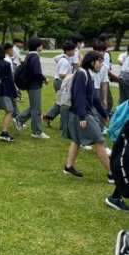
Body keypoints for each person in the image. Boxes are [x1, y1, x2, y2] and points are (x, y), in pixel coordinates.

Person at [62, 51, 113, 182]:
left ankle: (68, 167)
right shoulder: (82, 74)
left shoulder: (88, 74)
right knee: (99, 140)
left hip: (81, 113)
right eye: (99, 61)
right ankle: (111, 174)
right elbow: (78, 96)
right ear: (92, 62)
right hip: (81, 114)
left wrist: (104, 114)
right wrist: (82, 117)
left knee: (76, 140)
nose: (101, 64)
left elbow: (94, 98)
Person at [13, 37, 50, 139]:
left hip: (30, 85)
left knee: (34, 107)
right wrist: (45, 79)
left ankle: (19, 119)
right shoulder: (35, 57)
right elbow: (37, 72)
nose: (42, 46)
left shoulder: (29, 55)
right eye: (41, 45)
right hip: (34, 85)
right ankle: (37, 132)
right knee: (36, 109)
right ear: (38, 46)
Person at [43, 41, 76, 127]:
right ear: (68, 51)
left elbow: (56, 58)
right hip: (60, 82)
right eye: (73, 50)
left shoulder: (64, 58)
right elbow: (61, 74)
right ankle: (61, 123)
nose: (74, 52)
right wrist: (73, 75)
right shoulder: (64, 61)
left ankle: (48, 117)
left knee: (61, 102)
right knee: (63, 103)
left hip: (60, 82)